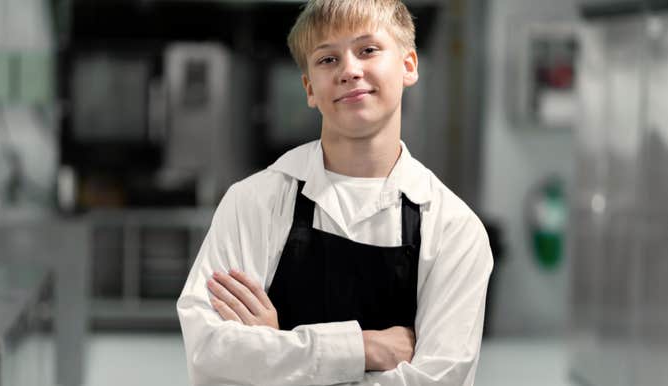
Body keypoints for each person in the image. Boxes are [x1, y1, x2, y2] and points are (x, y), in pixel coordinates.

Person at [177, 0, 494, 385]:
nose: (349, 70)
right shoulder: (254, 203)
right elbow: (210, 358)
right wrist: (362, 349)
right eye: (328, 59)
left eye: (368, 50)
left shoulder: (453, 230)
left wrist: (278, 350)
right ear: (310, 88)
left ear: (408, 65)